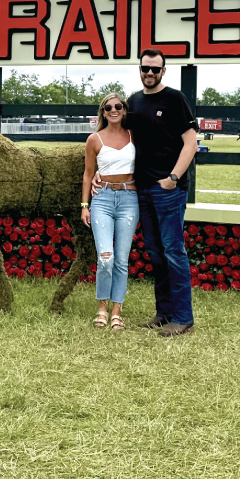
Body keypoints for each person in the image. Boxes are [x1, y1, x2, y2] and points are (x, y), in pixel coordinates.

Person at [93, 49, 199, 337]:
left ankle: (183, 317)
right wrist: (101, 171)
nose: (149, 73)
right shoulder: (134, 102)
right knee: (156, 253)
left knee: (173, 251)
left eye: (155, 69)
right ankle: (164, 313)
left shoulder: (175, 99)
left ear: (163, 71)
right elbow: (120, 140)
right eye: (145, 68)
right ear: (139, 69)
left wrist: (173, 177)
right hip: (141, 190)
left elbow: (191, 143)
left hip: (168, 190)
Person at [81, 93, 139, 330]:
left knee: (122, 260)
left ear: (124, 110)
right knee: (106, 258)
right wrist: (84, 205)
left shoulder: (134, 135)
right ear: (103, 112)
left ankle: (116, 311)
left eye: (118, 106)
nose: (113, 110)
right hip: (102, 199)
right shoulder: (94, 139)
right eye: (108, 107)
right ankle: (101, 309)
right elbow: (88, 174)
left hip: (129, 199)